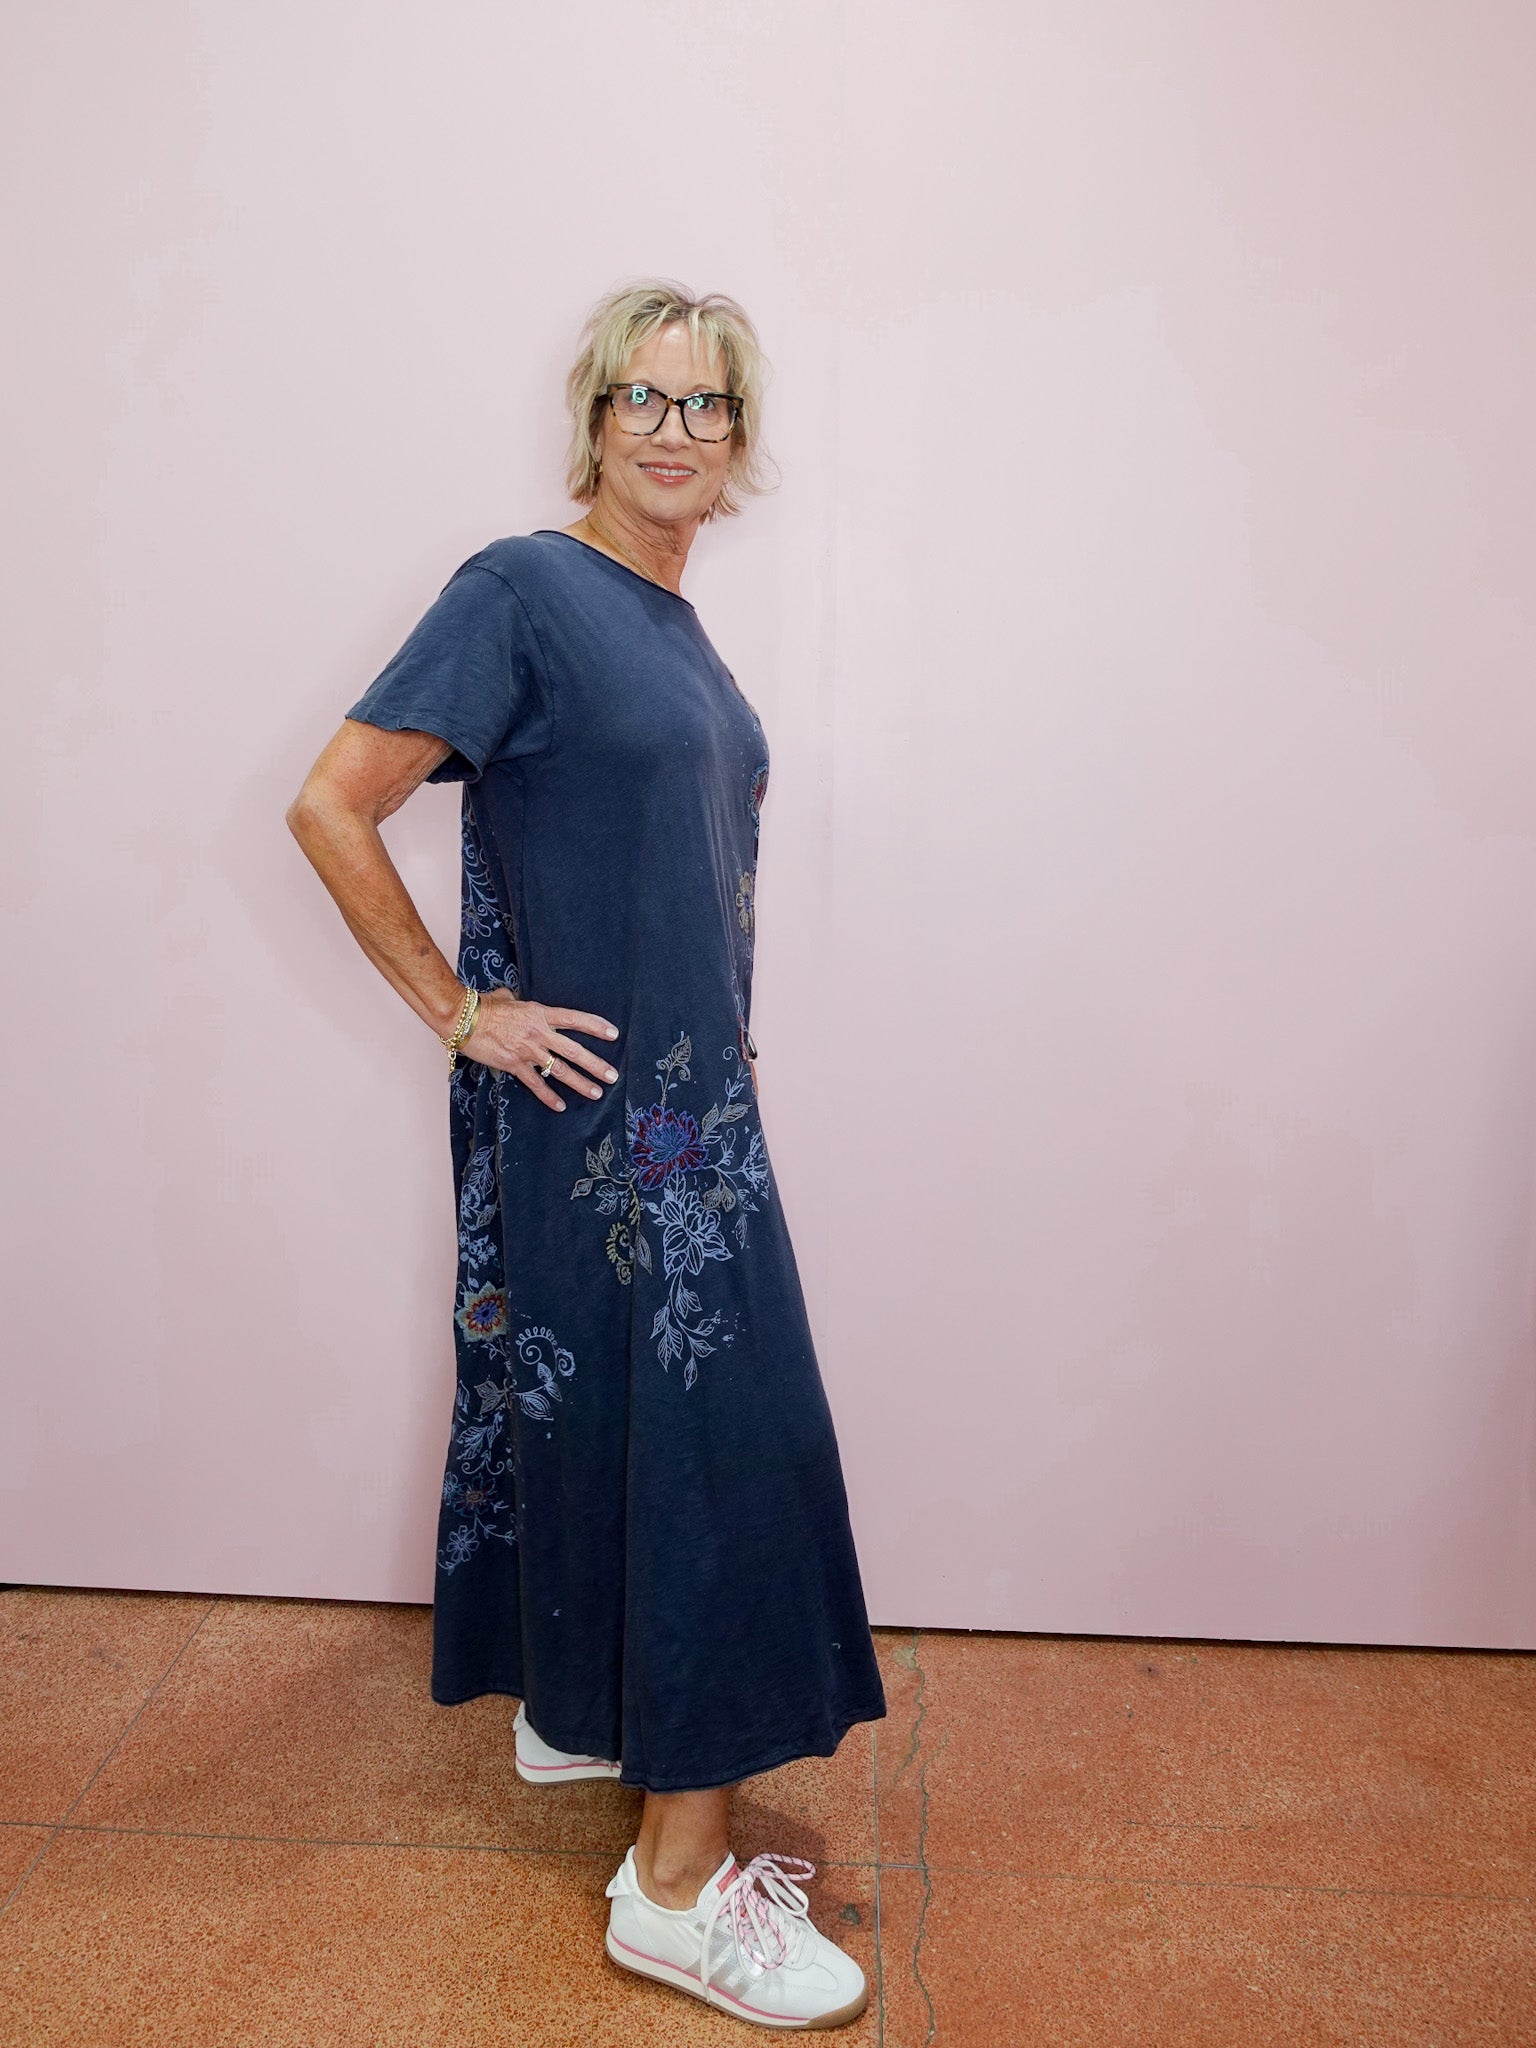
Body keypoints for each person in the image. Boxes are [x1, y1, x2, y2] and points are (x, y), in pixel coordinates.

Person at [286, 279, 885, 2029]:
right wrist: (461, 1010)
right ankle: (676, 1896)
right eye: (644, 397)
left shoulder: (677, 628)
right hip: (608, 1154)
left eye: (707, 404)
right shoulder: (524, 590)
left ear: (740, 438)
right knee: (722, 1472)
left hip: (698, 1135)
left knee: (674, 1461)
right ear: (595, 418)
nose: (674, 430)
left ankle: (612, 1740)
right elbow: (332, 802)